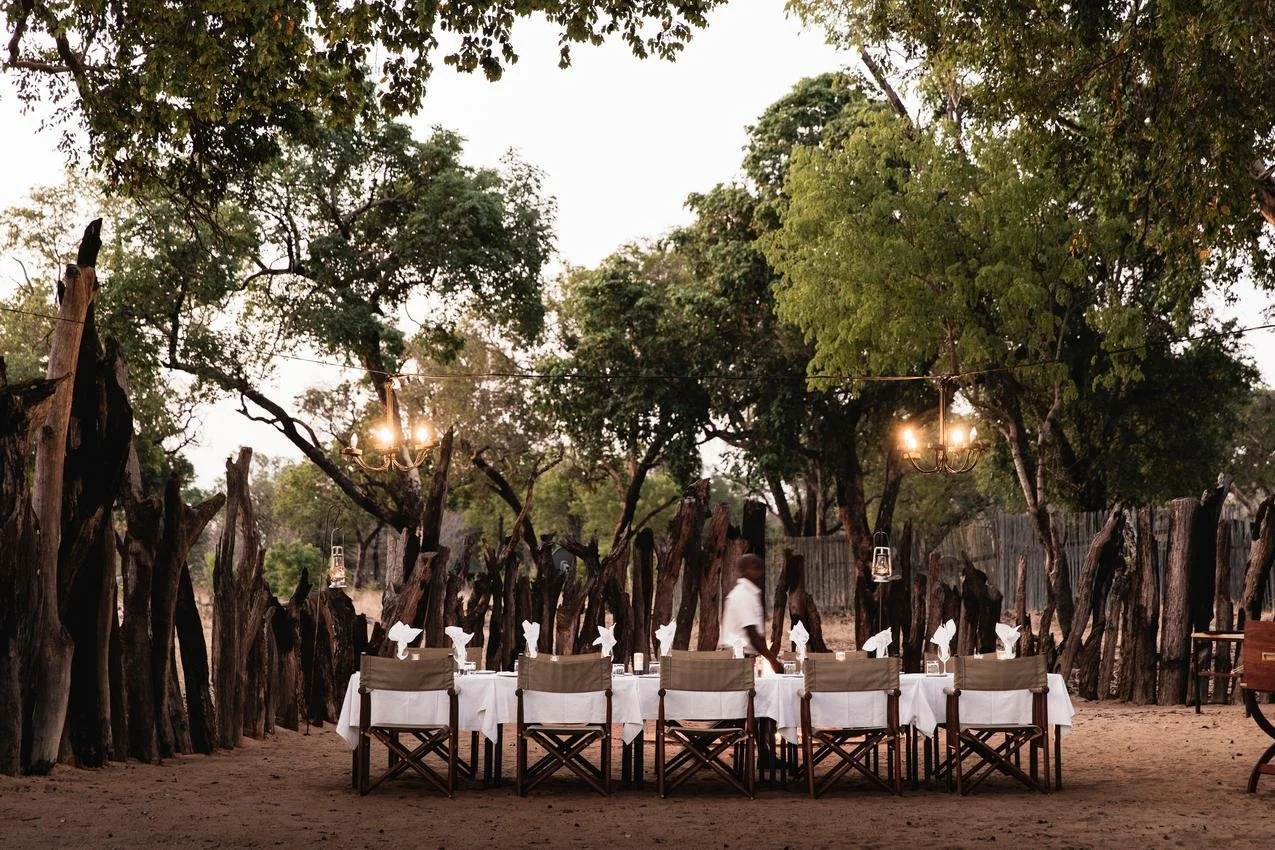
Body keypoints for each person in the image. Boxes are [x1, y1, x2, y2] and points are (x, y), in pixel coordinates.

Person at [720, 553, 783, 674]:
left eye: (762, 568)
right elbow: (752, 634)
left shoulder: (748, 593)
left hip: (742, 659)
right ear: (744, 571)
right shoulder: (743, 595)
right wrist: (773, 662)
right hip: (738, 659)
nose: (761, 572)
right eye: (756, 568)